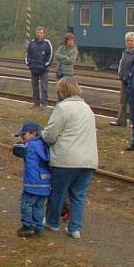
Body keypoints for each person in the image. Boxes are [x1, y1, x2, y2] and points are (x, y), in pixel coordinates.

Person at [42, 77, 98, 239]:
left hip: (66, 159)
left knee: (58, 192)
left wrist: (43, 136)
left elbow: (50, 134)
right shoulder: (87, 108)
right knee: (79, 195)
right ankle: (75, 228)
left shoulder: (62, 108)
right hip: (87, 159)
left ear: (63, 91)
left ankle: (52, 222)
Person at [12, 121, 51, 237]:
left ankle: (27, 226)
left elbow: (16, 148)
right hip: (45, 183)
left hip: (32, 183)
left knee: (27, 203)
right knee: (39, 206)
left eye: (23, 135)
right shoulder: (46, 145)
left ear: (32, 133)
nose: (22, 138)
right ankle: (39, 227)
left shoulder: (30, 145)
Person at [111, 32, 134, 127]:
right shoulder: (125, 52)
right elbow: (121, 64)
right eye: (127, 41)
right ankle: (121, 121)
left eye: (131, 41)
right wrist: (120, 73)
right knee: (123, 101)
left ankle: (133, 122)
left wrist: (133, 77)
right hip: (124, 80)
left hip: (133, 81)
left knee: (133, 102)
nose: (129, 42)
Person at [25, 26, 53, 107]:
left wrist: (45, 65)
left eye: (41, 33)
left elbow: (50, 55)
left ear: (44, 34)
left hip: (43, 70)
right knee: (35, 87)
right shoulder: (32, 43)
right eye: (38, 33)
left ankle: (44, 104)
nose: (39, 34)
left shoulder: (47, 43)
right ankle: (36, 103)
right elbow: (27, 54)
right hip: (34, 69)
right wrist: (29, 64)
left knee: (44, 87)